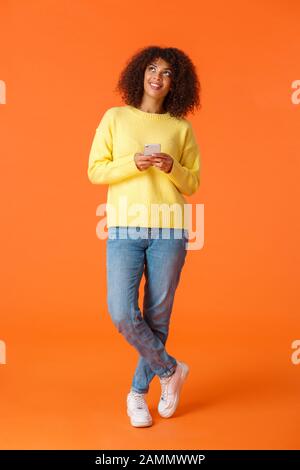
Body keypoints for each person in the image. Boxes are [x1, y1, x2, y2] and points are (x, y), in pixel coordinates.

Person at [87, 45, 202, 427]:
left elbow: (194, 183)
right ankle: (171, 370)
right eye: (152, 68)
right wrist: (132, 163)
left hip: (170, 227)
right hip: (124, 225)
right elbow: (95, 170)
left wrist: (171, 167)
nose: (158, 76)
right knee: (122, 311)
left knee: (157, 314)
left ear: (175, 83)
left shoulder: (180, 127)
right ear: (140, 73)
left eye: (167, 72)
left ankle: (138, 393)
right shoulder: (115, 118)